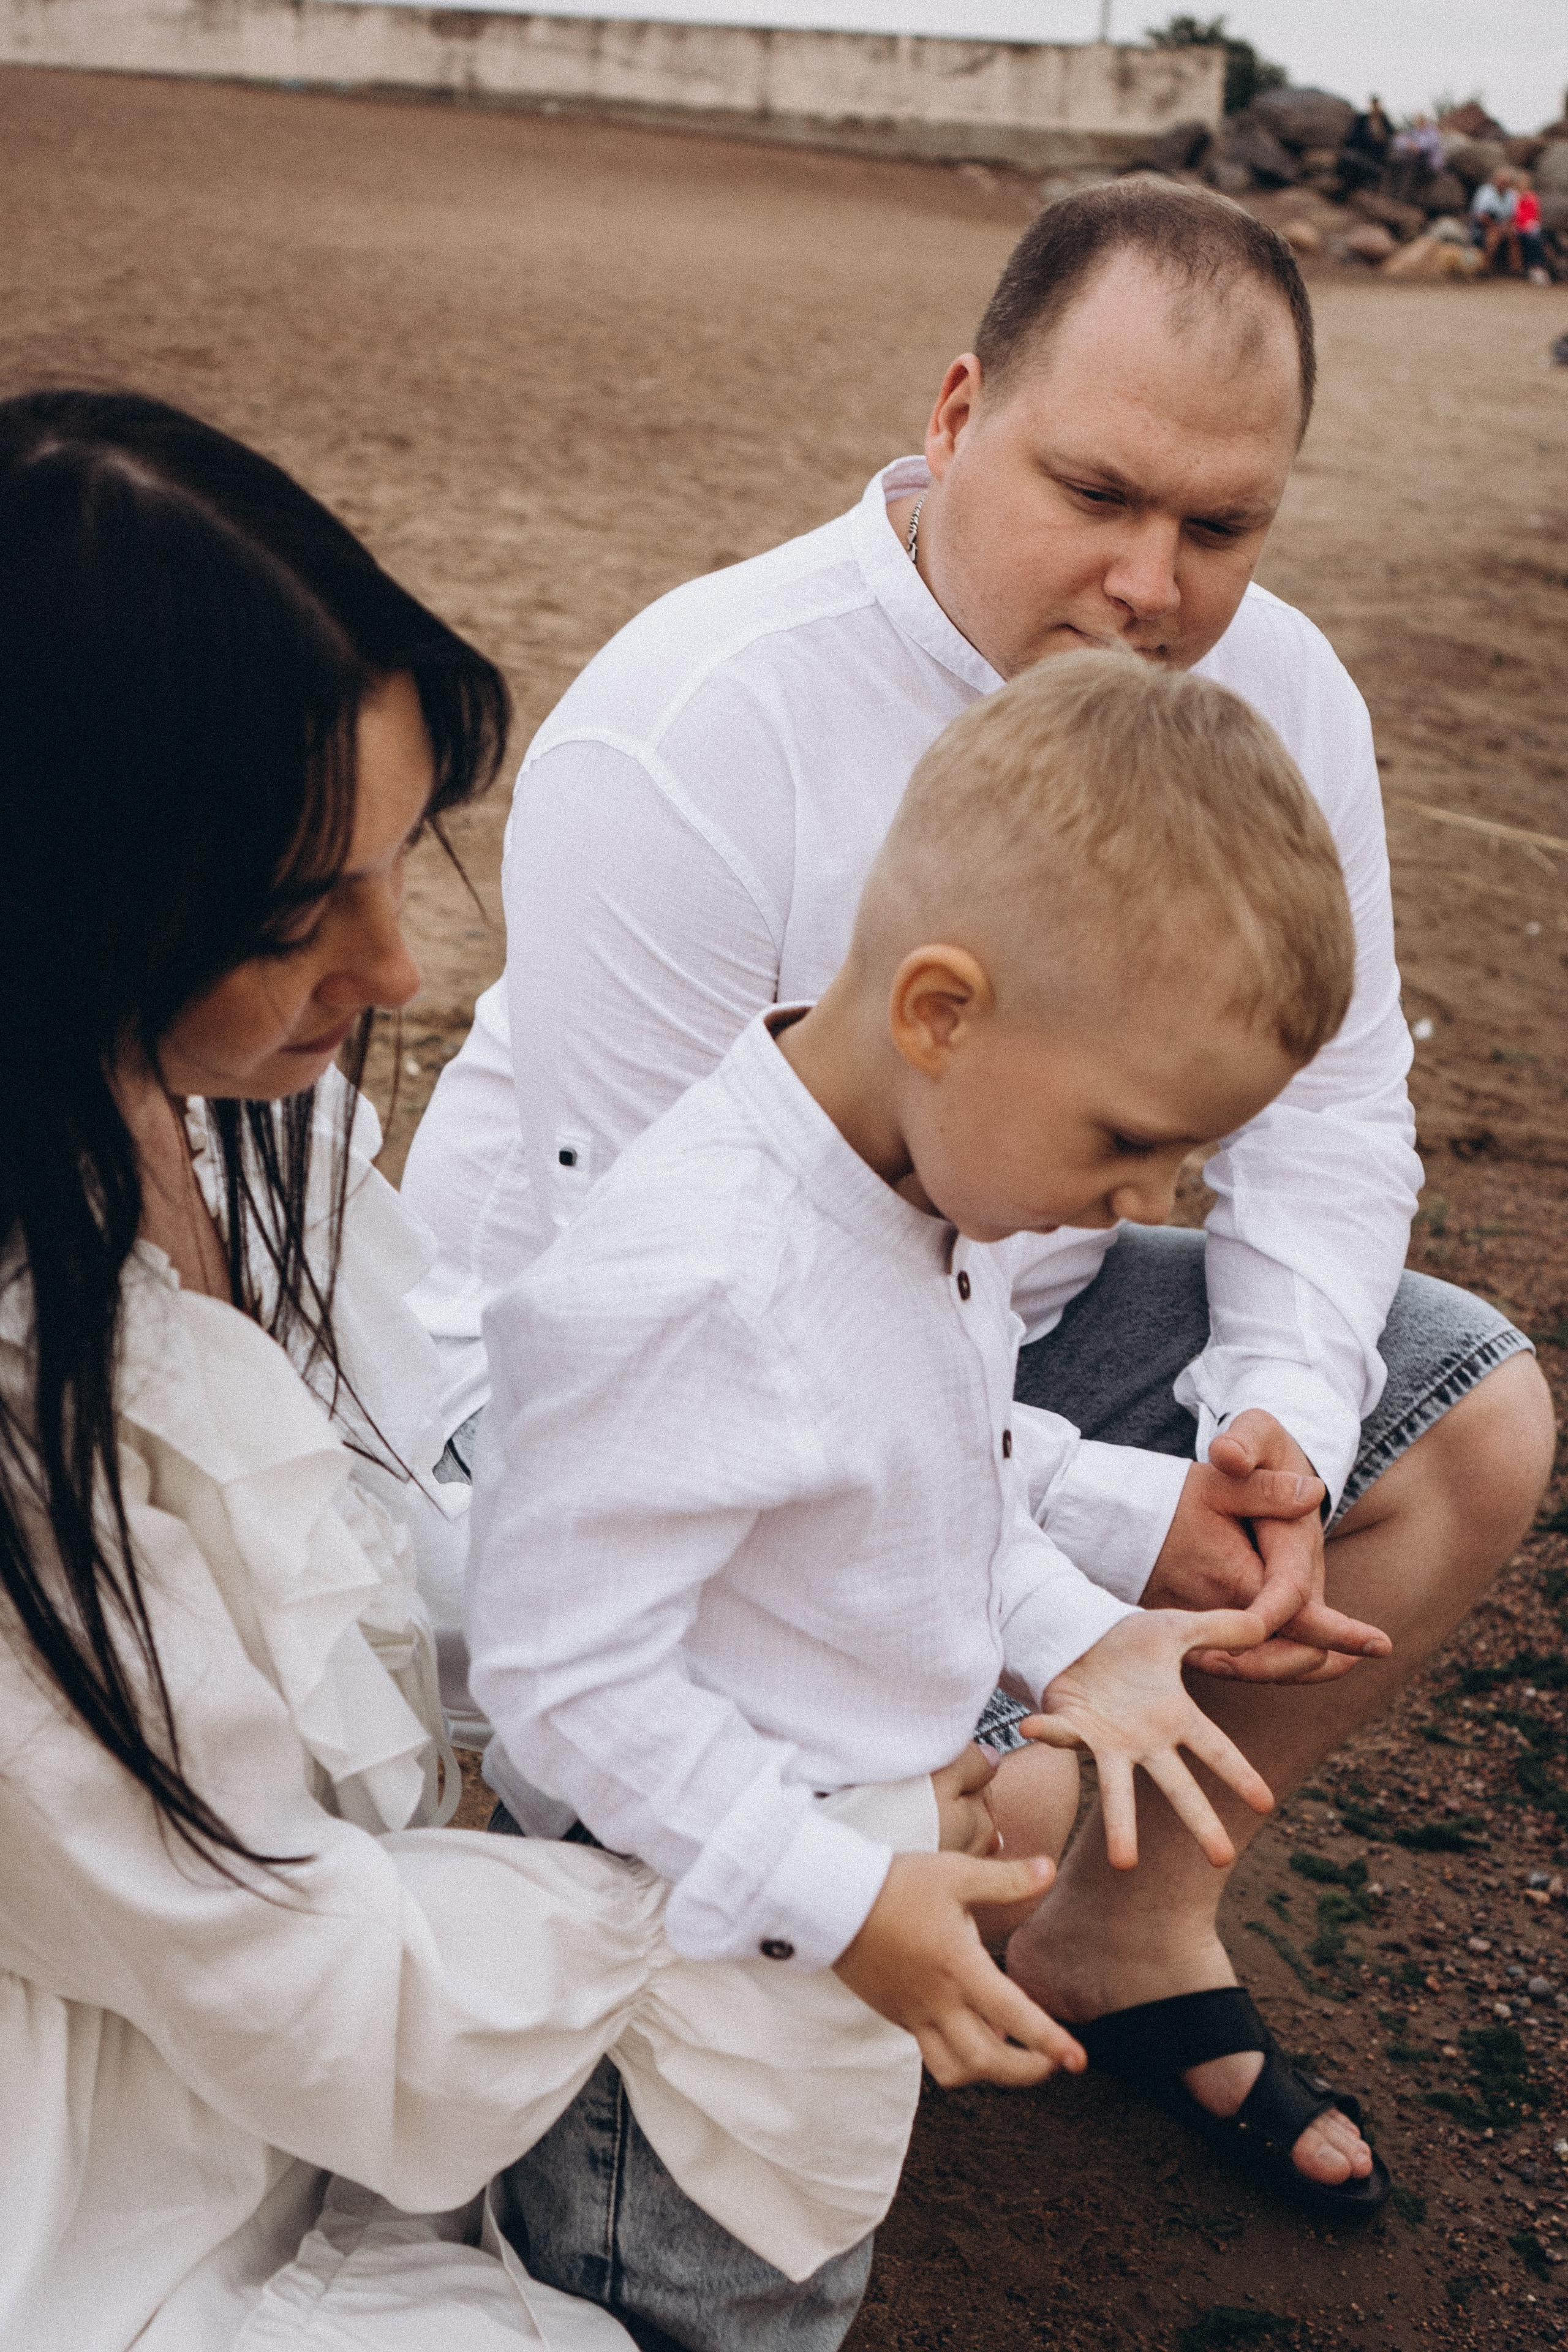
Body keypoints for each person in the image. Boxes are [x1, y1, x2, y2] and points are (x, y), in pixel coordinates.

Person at [402, 181, 1556, 2203]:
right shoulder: (703, 727)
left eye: (1223, 526)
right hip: (622, 1403)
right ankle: (856, 1870)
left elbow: (1337, 1100)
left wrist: (1264, 1415)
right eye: (1095, 489)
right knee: (717, 1855)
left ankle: (1111, 1918)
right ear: (956, 415)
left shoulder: (1274, 692)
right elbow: (654, 1337)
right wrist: (1031, 1590)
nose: (1151, 582)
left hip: (974, 1341)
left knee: (1464, 1421)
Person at [0, 390, 1045, 2352]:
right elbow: (240, 1938)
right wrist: (779, 1873)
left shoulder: (251, 1110)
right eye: (302, 913)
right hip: (149, 2087)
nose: (400, 972)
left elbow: (437, 1486)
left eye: (404, 859)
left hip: (385, 1933)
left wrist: (786, 1749)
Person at [467, 654, 1392, 2352]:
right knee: (693, 2313)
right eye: (1130, 1141)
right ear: (942, 1012)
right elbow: (554, 1680)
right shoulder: (705, 1283)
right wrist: (837, 1890)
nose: (1146, 1200)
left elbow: (917, 1482)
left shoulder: (918, 1198)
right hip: (679, 2013)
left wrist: (1075, 1635)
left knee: (798, 2268)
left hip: (809, 1945)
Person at [1336, 96, 1392, 199]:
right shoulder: (1362, 120)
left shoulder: (1385, 123)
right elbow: (1351, 138)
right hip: (1358, 155)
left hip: (1373, 160)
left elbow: (1387, 142)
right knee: (1351, 163)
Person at [1471, 165, 1521, 268]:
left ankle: (1516, 269)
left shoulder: (1512, 195)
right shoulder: (1485, 192)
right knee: (1494, 235)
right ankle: (1486, 266)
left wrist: (1507, 226)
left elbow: (1514, 216)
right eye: (1501, 181)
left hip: (1505, 225)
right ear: (1495, 180)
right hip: (1485, 226)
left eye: (1505, 182)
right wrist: (1495, 225)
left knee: (1514, 236)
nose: (1503, 184)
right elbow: (1480, 215)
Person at [1514, 177, 1552, 284]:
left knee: (1537, 237)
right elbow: (1515, 215)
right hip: (1519, 227)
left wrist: (1530, 224)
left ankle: (1539, 267)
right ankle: (1534, 267)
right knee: (1533, 238)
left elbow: (1535, 215)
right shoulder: (1514, 197)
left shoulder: (1532, 197)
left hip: (1530, 227)